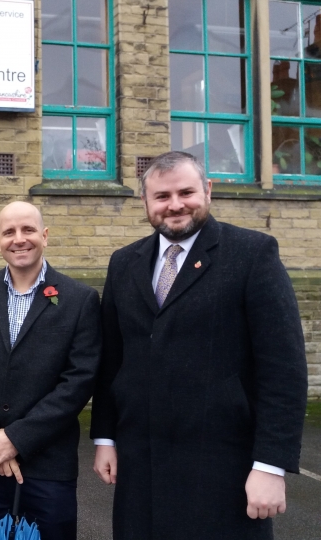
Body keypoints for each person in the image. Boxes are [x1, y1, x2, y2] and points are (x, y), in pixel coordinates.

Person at [90, 151, 308, 539]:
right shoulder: (124, 263)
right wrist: (105, 437)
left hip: (224, 467)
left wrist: (271, 466)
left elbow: (283, 368)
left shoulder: (252, 254)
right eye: (161, 196)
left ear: (207, 191)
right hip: (142, 467)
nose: (175, 205)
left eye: (186, 192)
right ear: (145, 202)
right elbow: (113, 359)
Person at [0, 201, 102, 540]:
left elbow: (78, 381)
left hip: (47, 466)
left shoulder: (78, 299)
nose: (19, 239)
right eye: (9, 232)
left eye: (28, 230)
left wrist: (15, 439)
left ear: (44, 236)